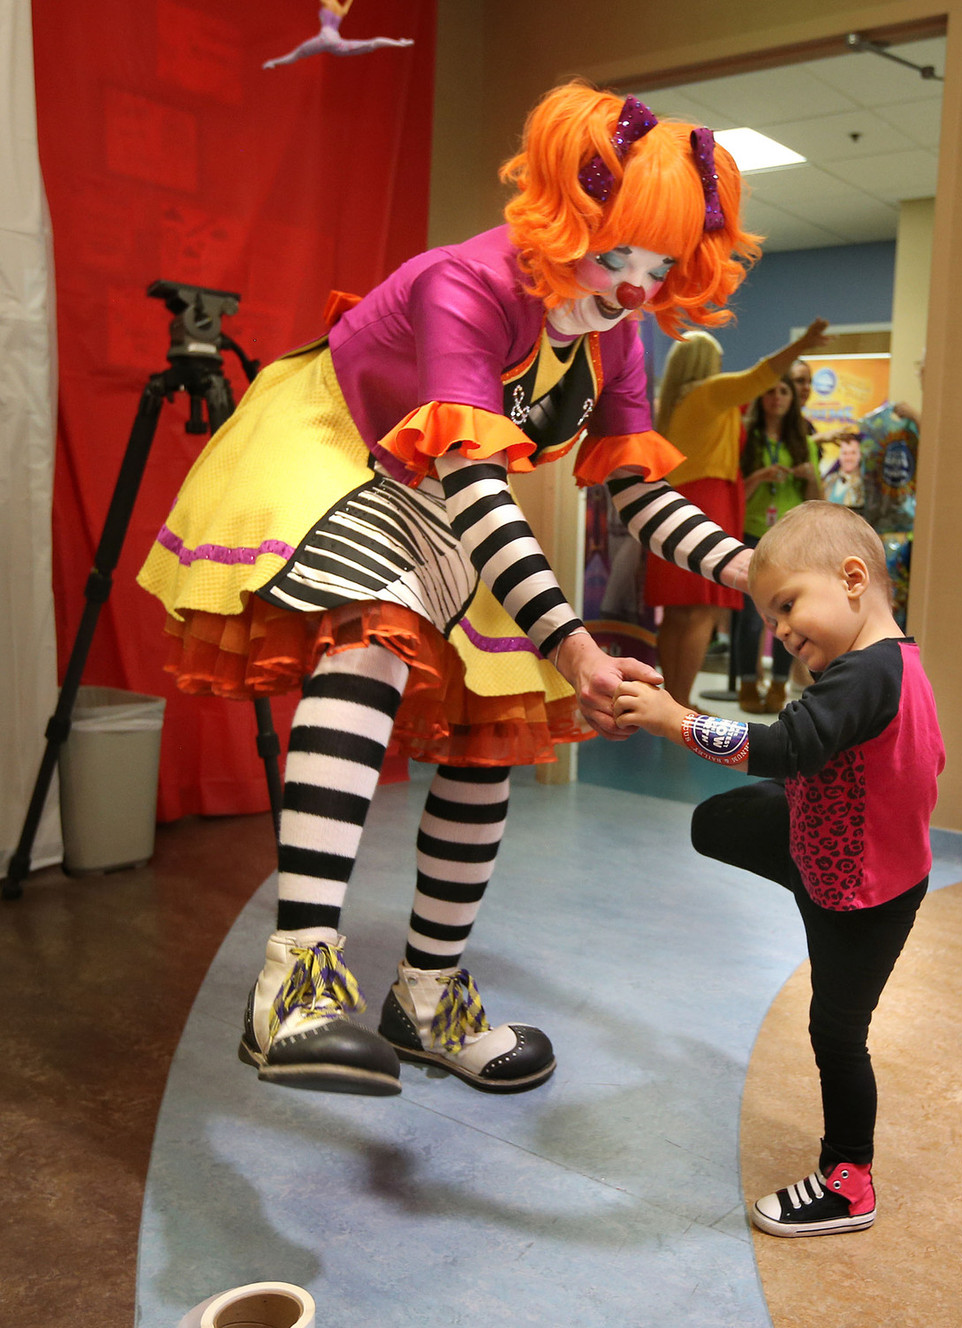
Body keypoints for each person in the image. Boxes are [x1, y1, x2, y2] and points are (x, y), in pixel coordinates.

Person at [138, 82, 762, 1098]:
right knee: (374, 633)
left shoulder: (614, 336)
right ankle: (292, 986)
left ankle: (426, 995)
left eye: (659, 268)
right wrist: (574, 644)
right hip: (335, 442)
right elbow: (474, 480)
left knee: (489, 716)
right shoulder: (464, 286)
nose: (636, 289)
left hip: (436, 481)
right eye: (619, 257)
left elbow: (636, 493)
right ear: (570, 220)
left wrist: (749, 566)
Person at [613, 501, 945, 1237]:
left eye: (788, 605)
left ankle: (847, 1180)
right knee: (714, 822)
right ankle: (792, 852)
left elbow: (782, 749)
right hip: (829, 845)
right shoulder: (892, 661)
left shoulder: (862, 678)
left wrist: (675, 718)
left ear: (852, 578)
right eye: (769, 617)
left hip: (859, 895)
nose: (780, 630)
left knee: (836, 1033)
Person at [643, 319, 829, 709]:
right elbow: (761, 376)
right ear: (705, 363)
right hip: (708, 502)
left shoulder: (678, 403)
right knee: (702, 611)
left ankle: (673, 700)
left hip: (672, 501)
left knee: (678, 613)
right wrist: (802, 346)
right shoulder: (709, 393)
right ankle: (679, 703)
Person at [736, 375, 822, 714]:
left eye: (784, 391)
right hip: (752, 534)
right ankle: (747, 683)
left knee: (790, 617)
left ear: (793, 399)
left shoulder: (804, 442)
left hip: (791, 540)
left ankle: (778, 685)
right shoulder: (747, 440)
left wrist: (809, 476)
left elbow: (818, 501)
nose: (777, 397)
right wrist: (760, 476)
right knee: (751, 618)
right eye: (770, 390)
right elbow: (737, 495)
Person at [263, 0, 413, 68]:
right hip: (337, 43)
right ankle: (399, 43)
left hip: (324, 39)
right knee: (372, 43)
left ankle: (273, 62)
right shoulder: (340, 10)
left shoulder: (328, 3)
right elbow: (346, 8)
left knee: (296, 54)